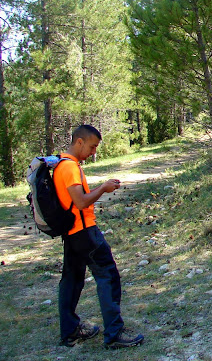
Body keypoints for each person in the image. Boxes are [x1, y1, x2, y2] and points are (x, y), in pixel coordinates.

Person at [53, 124, 144, 349]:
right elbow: (81, 201)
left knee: (71, 281)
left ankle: (70, 330)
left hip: (71, 233)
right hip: (85, 232)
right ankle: (114, 333)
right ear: (79, 142)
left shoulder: (60, 165)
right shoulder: (70, 167)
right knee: (108, 276)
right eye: (92, 147)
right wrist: (103, 188)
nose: (93, 152)